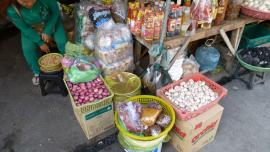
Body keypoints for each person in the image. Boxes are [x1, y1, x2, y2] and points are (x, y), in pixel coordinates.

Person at [0, 0, 67, 85]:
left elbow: (55, 13)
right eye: (24, 2)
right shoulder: (12, 10)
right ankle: (37, 72)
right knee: (28, 49)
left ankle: (68, 65)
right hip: (31, 29)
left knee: (62, 41)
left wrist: (48, 30)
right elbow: (24, 28)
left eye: (31, 0)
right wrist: (40, 42)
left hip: (51, 22)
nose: (29, 4)